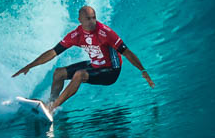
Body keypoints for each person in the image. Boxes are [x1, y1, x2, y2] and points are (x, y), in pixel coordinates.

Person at [12, 6, 155, 114]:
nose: (92, 21)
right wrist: (30, 66)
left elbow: (127, 53)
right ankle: (51, 103)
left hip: (111, 71)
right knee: (58, 73)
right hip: (95, 65)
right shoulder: (76, 34)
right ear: (80, 20)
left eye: (94, 17)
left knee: (79, 74)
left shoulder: (105, 33)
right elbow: (53, 52)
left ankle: (52, 108)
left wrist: (143, 71)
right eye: (88, 18)